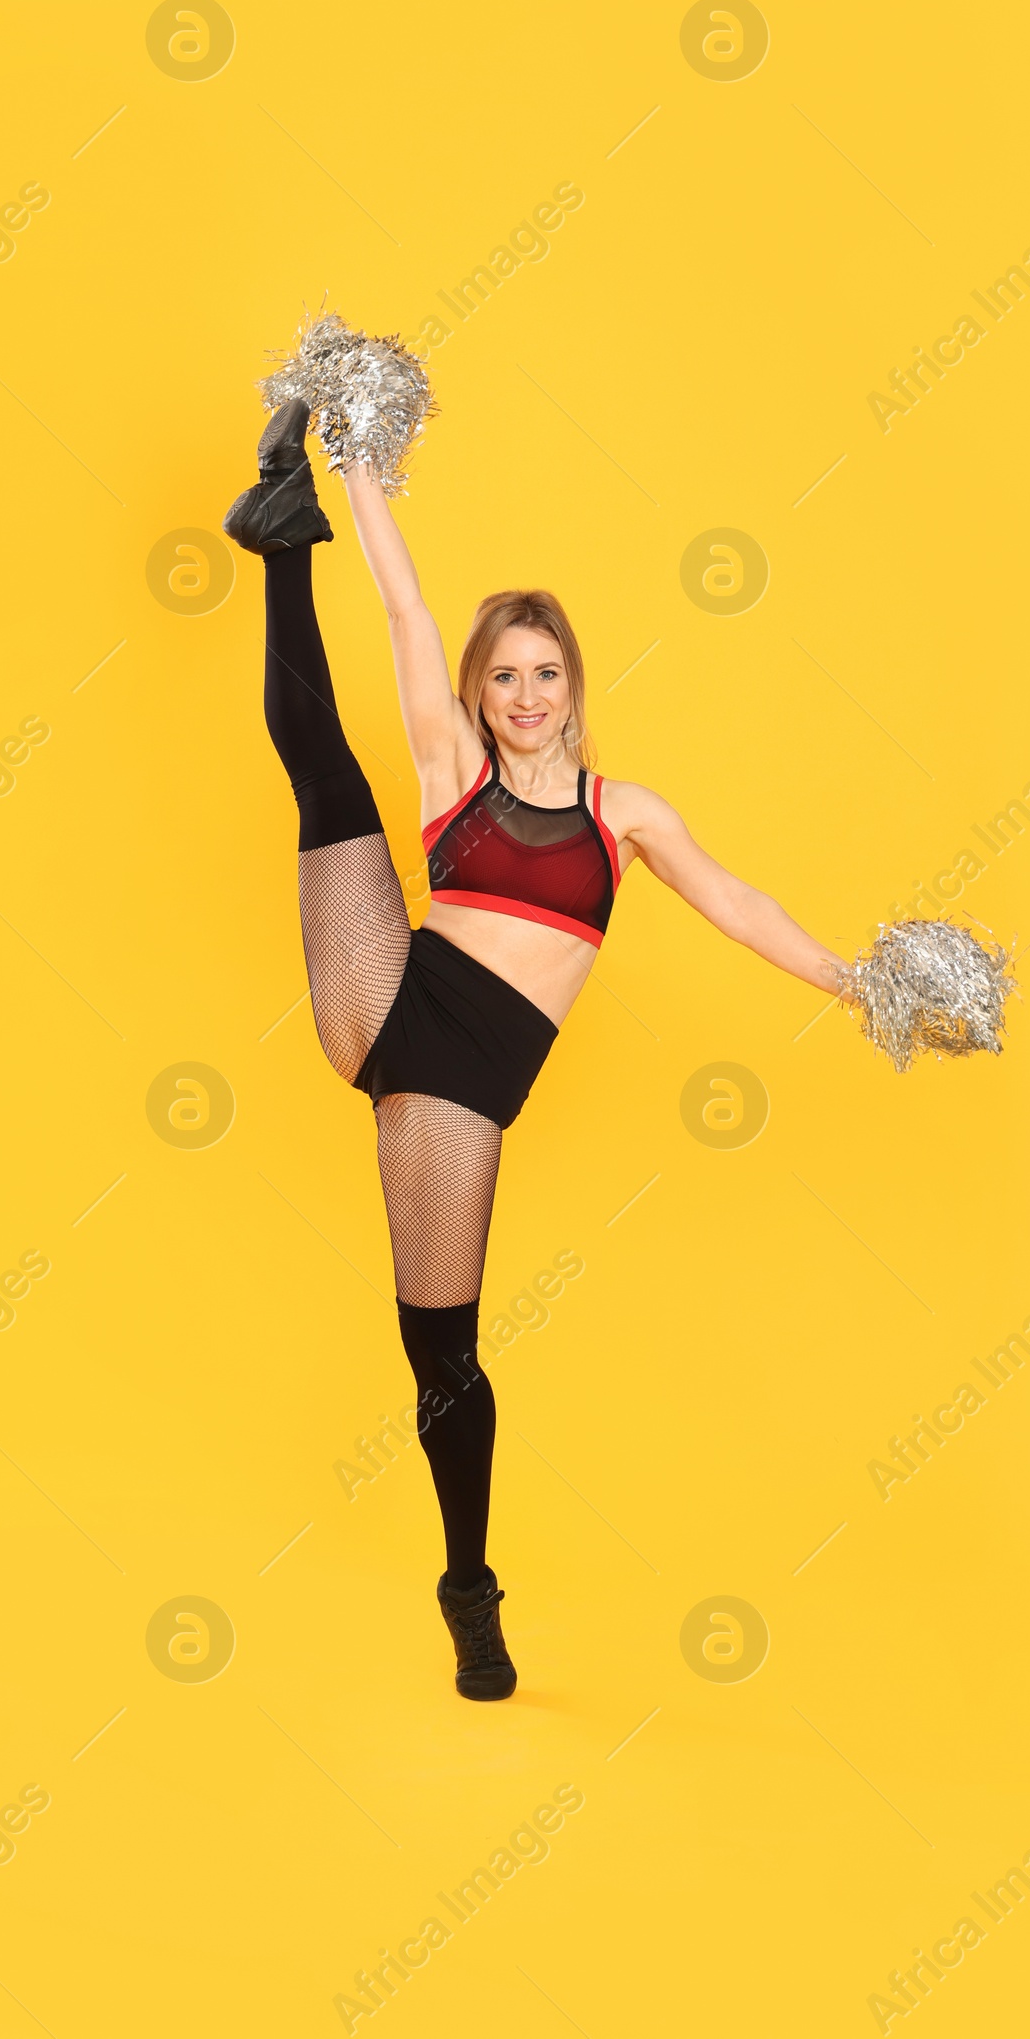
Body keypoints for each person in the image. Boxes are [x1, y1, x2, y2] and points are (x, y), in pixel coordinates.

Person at [225, 398, 848, 1700]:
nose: (520, 693)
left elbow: (738, 904)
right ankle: (284, 527)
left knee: (439, 1353)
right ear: (481, 690)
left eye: (542, 672)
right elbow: (404, 615)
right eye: (501, 674)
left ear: (572, 684)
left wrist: (856, 982)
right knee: (329, 778)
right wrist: (356, 467)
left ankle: (469, 1586)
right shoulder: (455, 774)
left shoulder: (626, 820)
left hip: (456, 1085)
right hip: (383, 997)